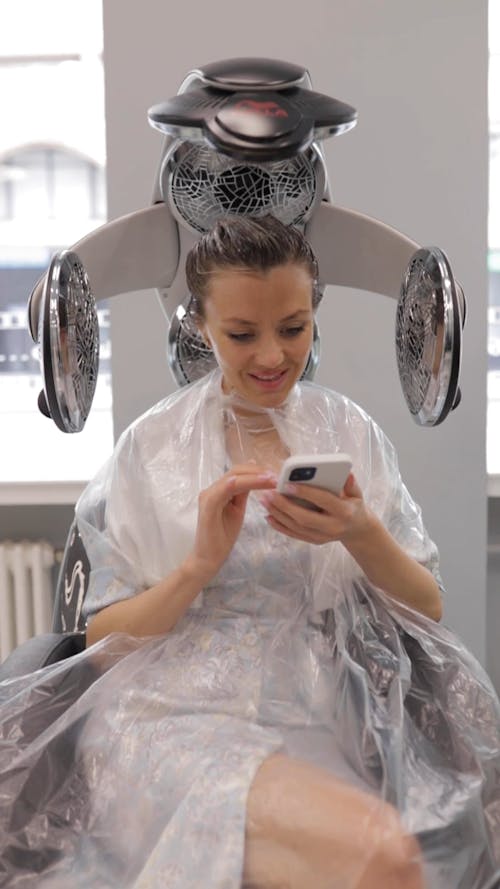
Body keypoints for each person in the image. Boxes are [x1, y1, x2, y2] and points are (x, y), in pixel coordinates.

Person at [0, 215, 499, 889]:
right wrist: (199, 564)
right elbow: (101, 642)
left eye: (293, 327)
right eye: (242, 333)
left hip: (327, 702)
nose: (271, 356)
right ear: (200, 326)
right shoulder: (154, 451)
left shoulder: (346, 430)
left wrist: (358, 530)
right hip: (171, 715)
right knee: (382, 857)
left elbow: (428, 607)